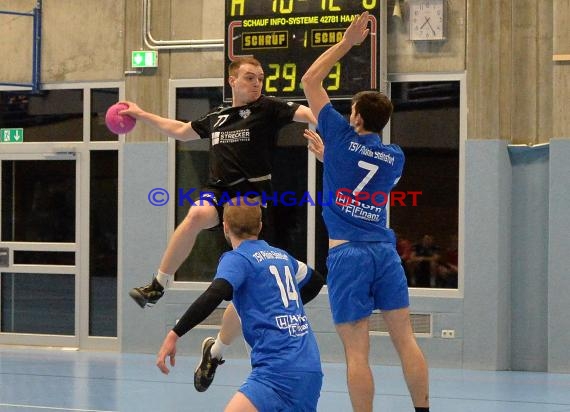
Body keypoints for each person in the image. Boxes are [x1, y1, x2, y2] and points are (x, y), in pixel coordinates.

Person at [300, 12, 430, 412]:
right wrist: (330, 161)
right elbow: (364, 179)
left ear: (354, 117)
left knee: (357, 352)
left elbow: (310, 80)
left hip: (348, 254)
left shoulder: (338, 135)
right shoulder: (394, 157)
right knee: (405, 339)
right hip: (385, 253)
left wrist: (347, 43)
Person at [121, 56, 317, 308]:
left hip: (250, 192)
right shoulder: (217, 116)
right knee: (195, 216)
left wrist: (339, 125)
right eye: (249, 78)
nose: (256, 83)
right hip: (218, 188)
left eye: (260, 79)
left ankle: (223, 342)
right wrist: (140, 114)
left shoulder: (269, 108)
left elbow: (311, 114)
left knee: (247, 265)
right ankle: (157, 285)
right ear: (232, 81)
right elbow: (180, 131)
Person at [156, 200, 324, 411]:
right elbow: (316, 280)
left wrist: (174, 334)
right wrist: (279, 307)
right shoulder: (282, 257)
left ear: (225, 226)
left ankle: (215, 352)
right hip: (311, 367)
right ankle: (215, 351)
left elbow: (215, 293)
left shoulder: (238, 259)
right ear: (260, 226)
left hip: (275, 372)